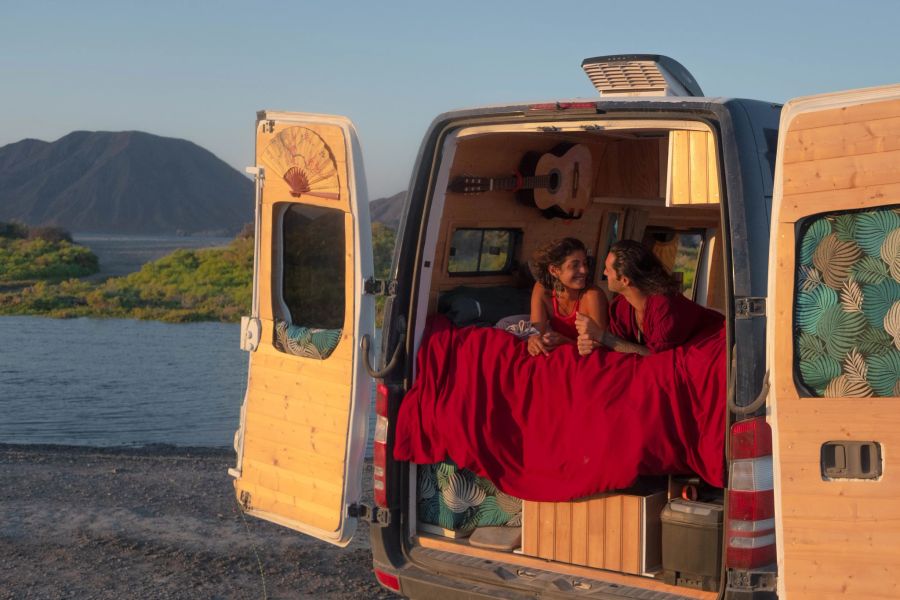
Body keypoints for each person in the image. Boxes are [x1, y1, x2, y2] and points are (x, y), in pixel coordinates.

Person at [576, 239, 723, 356]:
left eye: (608, 270)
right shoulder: (619, 307)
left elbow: (658, 359)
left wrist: (603, 337)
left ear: (625, 280)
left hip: (716, 351)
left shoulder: (664, 306)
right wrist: (594, 344)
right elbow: (619, 346)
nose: (604, 273)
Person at [527, 237, 607, 356]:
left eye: (585, 263)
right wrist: (534, 341)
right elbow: (536, 331)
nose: (584, 270)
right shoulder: (542, 289)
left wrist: (566, 342)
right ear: (554, 270)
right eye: (575, 265)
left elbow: (600, 346)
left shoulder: (593, 296)